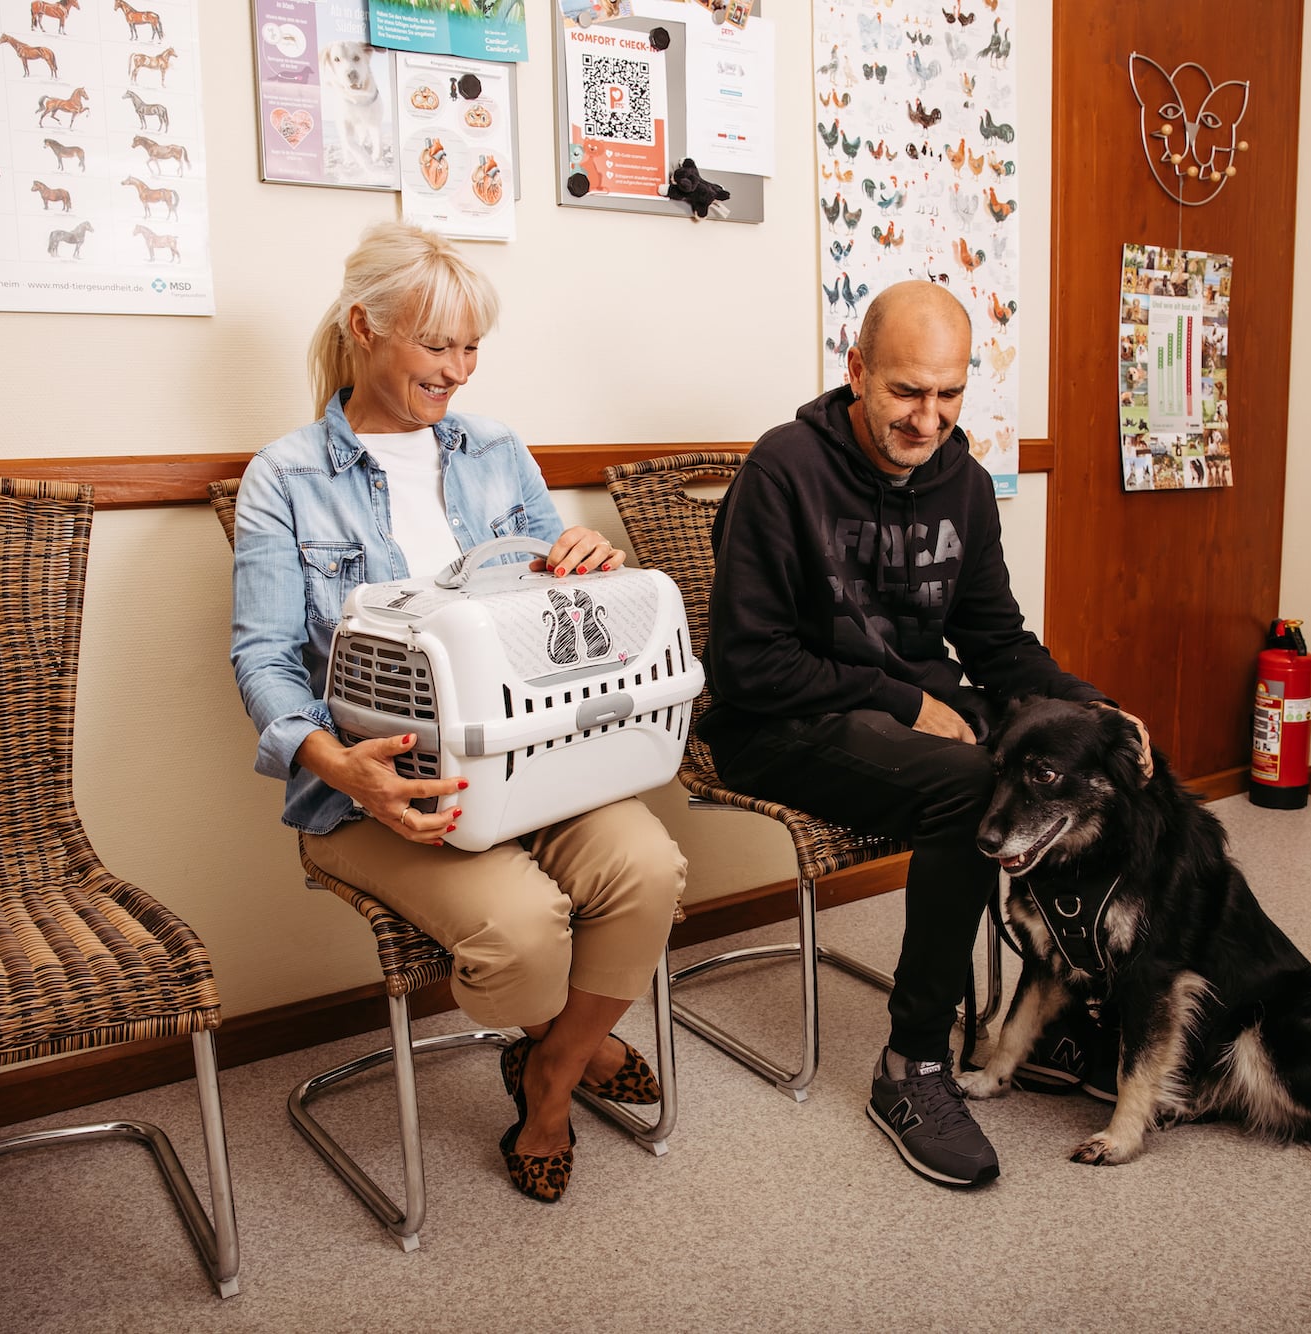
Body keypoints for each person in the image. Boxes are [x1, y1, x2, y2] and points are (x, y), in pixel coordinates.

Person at [230, 219, 686, 1204]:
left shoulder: (496, 451)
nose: (459, 369)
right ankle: (565, 1041)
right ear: (364, 326)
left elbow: (557, 611)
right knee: (523, 928)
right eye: (437, 344)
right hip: (372, 790)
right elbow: (262, 656)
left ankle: (552, 1072)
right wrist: (338, 763)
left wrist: (582, 564)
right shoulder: (286, 478)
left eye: (471, 345)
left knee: (650, 864)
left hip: (534, 765)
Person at [700, 281, 1144, 1188]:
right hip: (776, 724)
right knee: (976, 790)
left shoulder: (963, 482)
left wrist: (1090, 707)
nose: (929, 417)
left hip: (908, 714)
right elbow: (746, 663)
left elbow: (996, 641)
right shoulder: (783, 469)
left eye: (948, 394)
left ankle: (1054, 1016)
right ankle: (912, 1063)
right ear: (857, 370)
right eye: (907, 391)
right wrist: (903, 702)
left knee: (1073, 766)